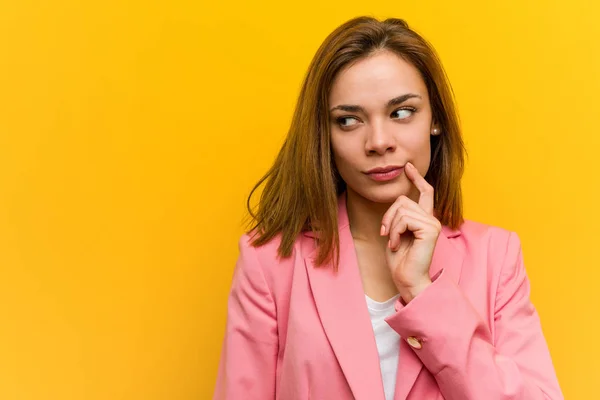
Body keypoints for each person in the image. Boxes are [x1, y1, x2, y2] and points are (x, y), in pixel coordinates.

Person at [213, 16, 564, 400]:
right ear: (324, 136)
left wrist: (422, 292)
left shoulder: (495, 258)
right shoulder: (269, 264)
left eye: (401, 112)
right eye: (348, 120)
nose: (379, 142)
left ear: (435, 121)